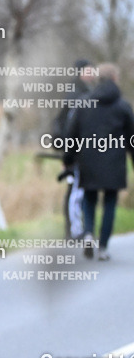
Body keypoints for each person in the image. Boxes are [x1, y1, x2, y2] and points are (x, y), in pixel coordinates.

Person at [64, 63, 134, 261]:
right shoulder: (123, 106)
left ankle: (88, 233)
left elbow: (72, 134)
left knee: (89, 198)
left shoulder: (84, 103)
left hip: (89, 160)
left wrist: (68, 159)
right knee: (110, 201)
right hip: (114, 162)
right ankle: (102, 247)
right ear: (115, 79)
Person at [52, 60, 96, 239]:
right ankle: (72, 230)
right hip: (76, 150)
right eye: (89, 70)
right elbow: (69, 127)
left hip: (79, 150)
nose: (92, 73)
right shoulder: (76, 95)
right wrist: (68, 153)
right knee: (75, 190)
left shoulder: (84, 92)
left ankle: (78, 228)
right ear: (80, 72)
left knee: (78, 189)